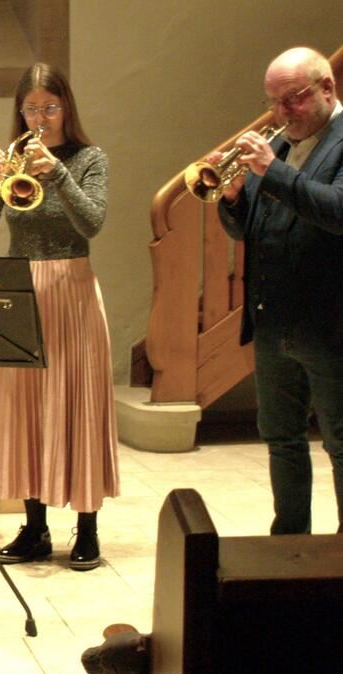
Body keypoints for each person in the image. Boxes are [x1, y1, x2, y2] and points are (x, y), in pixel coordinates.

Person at [0, 63, 119, 571]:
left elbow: (91, 223)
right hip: (21, 290)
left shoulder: (89, 158)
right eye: (30, 109)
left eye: (48, 108)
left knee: (77, 404)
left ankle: (88, 528)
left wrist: (59, 173)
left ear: (66, 108)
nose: (39, 118)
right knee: (25, 408)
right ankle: (34, 527)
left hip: (71, 289)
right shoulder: (14, 162)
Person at [215, 46, 343, 535]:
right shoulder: (285, 147)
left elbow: (335, 211)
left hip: (330, 325)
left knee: (340, 443)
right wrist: (231, 198)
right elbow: (248, 228)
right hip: (274, 324)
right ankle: (288, 546)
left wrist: (275, 172)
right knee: (282, 440)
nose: (281, 113)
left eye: (293, 99)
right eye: (273, 102)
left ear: (327, 88)